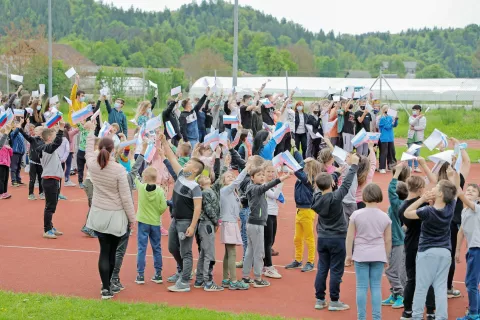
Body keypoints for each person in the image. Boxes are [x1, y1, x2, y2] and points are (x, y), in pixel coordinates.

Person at [83, 122, 135, 300]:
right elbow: (126, 198)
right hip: (115, 215)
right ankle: (108, 285)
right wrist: (132, 219)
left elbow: (88, 152)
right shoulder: (119, 170)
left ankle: (106, 287)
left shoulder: (93, 165)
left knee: (104, 251)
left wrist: (91, 131)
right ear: (113, 150)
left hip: (99, 213)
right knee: (112, 252)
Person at [404, 169, 458, 320]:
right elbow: (454, 191)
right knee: (440, 288)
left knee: (421, 286)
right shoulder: (450, 208)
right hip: (445, 252)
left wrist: (421, 199)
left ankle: (416, 316)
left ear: (440, 194)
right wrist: (453, 176)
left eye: (436, 187)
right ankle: (441, 317)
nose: (432, 188)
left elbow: (407, 213)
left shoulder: (427, 211)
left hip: (427, 252)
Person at [311, 154, 359, 311]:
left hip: (323, 238)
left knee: (322, 268)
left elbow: (326, 183)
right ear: (332, 184)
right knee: (336, 270)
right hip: (338, 238)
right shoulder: (336, 197)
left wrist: (336, 172)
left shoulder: (316, 198)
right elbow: (346, 184)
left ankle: (319, 299)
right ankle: (334, 300)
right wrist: (354, 166)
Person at [160, 133, 204, 292]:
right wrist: (164, 141)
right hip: (175, 220)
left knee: (186, 251)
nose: (184, 164)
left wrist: (192, 226)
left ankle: (184, 281)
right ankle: (182, 271)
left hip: (186, 222)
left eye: (189, 163)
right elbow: (171, 158)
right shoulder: (181, 175)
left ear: (193, 170)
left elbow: (197, 208)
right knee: (172, 247)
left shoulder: (195, 187)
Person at [345, 183, 392, 320]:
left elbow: (350, 236)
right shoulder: (385, 217)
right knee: (376, 287)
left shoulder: (356, 215)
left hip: (360, 254)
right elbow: (388, 240)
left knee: (361, 287)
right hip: (378, 254)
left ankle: (361, 317)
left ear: (364, 197)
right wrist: (386, 257)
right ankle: (377, 317)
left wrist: (349, 254)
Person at [242, 166, 291, 287]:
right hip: (256, 224)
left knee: (250, 250)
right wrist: (281, 179)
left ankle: (246, 276)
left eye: (262, 175)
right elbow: (266, 187)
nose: (262, 177)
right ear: (252, 178)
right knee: (259, 252)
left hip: (253, 223)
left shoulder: (253, 188)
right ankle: (258, 278)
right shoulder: (256, 188)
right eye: (259, 175)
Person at [398, 174, 436, 320]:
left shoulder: (402, 206)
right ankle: (431, 311)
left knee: (412, 279)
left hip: (411, 245)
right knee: (428, 279)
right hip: (425, 245)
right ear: (420, 190)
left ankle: (407, 310)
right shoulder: (424, 205)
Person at [285, 151, 323, 273]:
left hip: (307, 211)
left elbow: (297, 170)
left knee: (309, 237)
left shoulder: (310, 180)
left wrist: (302, 162)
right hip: (299, 210)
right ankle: (298, 259)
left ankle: (310, 261)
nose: (304, 168)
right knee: (297, 238)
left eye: (306, 166)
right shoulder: (304, 179)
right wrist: (298, 154)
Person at [381, 163, 409, 309]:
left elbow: (391, 190)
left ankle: (401, 294)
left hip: (396, 242)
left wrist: (395, 174)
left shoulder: (397, 204)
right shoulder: (400, 203)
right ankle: (395, 294)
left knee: (391, 270)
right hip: (393, 240)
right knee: (395, 269)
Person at [134, 167, 167, 285]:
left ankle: (140, 274)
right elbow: (163, 206)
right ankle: (158, 273)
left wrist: (133, 158)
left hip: (143, 221)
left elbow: (134, 175)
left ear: (145, 177)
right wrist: (157, 213)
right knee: (156, 248)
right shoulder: (159, 190)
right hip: (155, 222)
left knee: (141, 248)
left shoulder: (142, 188)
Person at [219, 166, 249, 290]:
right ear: (223, 181)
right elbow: (237, 182)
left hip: (231, 223)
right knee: (232, 253)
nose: (231, 178)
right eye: (228, 177)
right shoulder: (225, 190)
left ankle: (226, 278)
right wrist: (246, 169)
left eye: (232, 176)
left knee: (227, 252)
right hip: (229, 223)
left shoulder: (233, 192)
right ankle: (234, 281)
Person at [455, 183, 480, 320]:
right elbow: (461, 231)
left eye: (473, 191)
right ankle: (476, 310)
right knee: (472, 282)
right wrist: (458, 250)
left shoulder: (477, 208)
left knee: (471, 282)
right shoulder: (464, 211)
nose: (469, 192)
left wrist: (461, 194)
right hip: (472, 250)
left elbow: (467, 202)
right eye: (468, 190)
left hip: (477, 249)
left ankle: (474, 314)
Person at [37, 123, 66, 239]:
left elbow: (56, 143)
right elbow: (57, 142)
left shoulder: (48, 148)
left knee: (53, 205)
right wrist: (61, 130)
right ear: (49, 138)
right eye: (53, 135)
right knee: (50, 206)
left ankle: (50, 226)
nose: (55, 137)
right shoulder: (46, 148)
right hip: (49, 180)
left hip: (54, 179)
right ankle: (47, 229)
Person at [194, 174, 223, 291]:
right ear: (200, 184)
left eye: (207, 177)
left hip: (207, 224)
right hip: (207, 224)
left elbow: (220, 179)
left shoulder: (212, 189)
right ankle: (208, 281)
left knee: (203, 253)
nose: (206, 178)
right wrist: (216, 222)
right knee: (209, 253)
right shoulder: (205, 193)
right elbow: (209, 209)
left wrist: (225, 165)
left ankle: (199, 279)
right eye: (203, 179)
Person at [264, 162, 283, 279]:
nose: (271, 174)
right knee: (267, 241)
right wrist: (281, 183)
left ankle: (264, 264)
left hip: (273, 214)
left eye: (272, 171)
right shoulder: (264, 185)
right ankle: (268, 267)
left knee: (271, 240)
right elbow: (275, 195)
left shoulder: (273, 184)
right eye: (268, 171)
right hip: (267, 214)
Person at [19, 124, 45, 200]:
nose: (35, 131)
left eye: (36, 130)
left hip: (41, 163)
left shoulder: (44, 141)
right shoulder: (33, 139)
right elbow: (26, 136)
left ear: (41, 132)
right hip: (33, 162)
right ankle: (31, 194)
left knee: (41, 179)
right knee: (32, 179)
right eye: (35, 130)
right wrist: (20, 128)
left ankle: (41, 193)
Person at [378, 105, 398, 174]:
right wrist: (392, 123)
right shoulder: (382, 118)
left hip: (390, 137)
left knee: (392, 152)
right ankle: (382, 167)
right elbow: (387, 126)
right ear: (384, 110)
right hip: (384, 138)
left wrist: (396, 120)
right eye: (386, 109)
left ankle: (391, 165)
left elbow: (394, 125)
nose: (388, 110)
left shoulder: (390, 117)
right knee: (384, 153)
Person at [407, 105, 426, 173]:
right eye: (413, 110)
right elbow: (412, 123)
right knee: (410, 152)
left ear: (419, 110)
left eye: (415, 110)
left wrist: (414, 128)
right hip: (411, 137)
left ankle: (416, 166)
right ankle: (409, 166)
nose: (414, 111)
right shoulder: (411, 117)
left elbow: (422, 127)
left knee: (417, 153)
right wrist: (417, 118)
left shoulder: (423, 118)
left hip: (419, 138)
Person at [0, 125, 13, 199]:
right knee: (1, 178)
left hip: (6, 162)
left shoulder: (6, 141)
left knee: (6, 178)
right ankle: (1, 193)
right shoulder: (2, 140)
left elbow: (11, 153)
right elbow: (0, 145)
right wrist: (5, 133)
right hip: (1, 163)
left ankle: (5, 192)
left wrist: (9, 149)